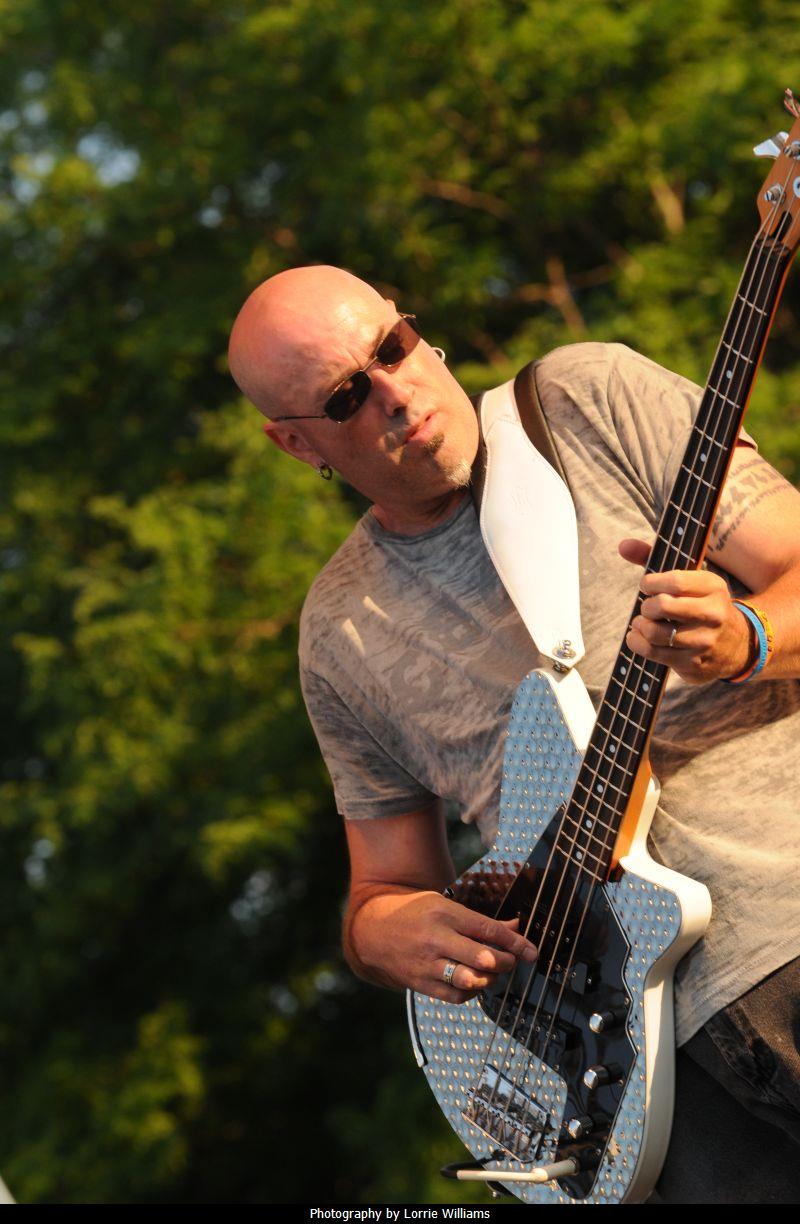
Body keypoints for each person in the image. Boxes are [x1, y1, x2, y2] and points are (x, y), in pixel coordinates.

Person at [228, 264, 800, 1202]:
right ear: (296, 443)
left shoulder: (586, 399)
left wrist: (750, 636)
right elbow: (382, 890)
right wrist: (388, 932)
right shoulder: (339, 632)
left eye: (392, 348)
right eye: (345, 398)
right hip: (642, 1080)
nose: (395, 394)